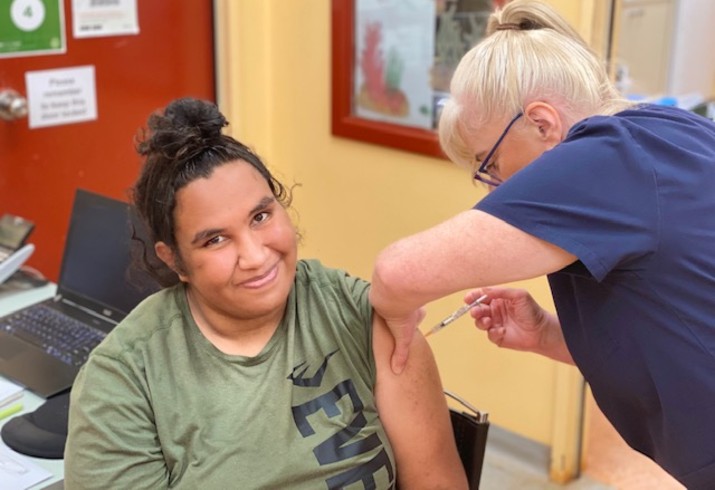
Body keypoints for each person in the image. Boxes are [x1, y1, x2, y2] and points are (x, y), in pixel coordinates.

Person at [369, 1, 715, 488]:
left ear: (542, 124)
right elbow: (675, 325)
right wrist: (548, 335)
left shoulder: (602, 160)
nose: (494, 189)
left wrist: (400, 314)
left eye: (489, 165)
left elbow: (396, 274)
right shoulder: (674, 130)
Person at [64, 98, 467, 489]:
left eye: (261, 216)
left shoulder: (355, 313)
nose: (256, 257)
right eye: (216, 240)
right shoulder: (123, 382)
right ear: (175, 261)